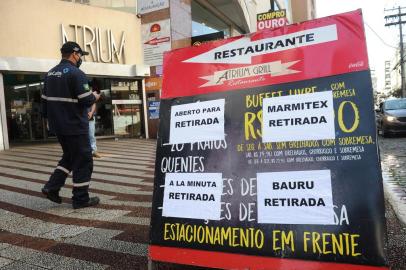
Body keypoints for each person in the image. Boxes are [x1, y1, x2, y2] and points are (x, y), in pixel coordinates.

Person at [41, 41, 101, 209]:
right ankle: (81, 199)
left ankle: (51, 188)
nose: (80, 58)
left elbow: (44, 104)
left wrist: (50, 121)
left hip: (58, 126)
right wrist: (95, 96)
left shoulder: (50, 74)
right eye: (80, 55)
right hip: (74, 125)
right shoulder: (76, 73)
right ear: (75, 54)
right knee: (84, 160)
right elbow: (86, 99)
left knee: (69, 156)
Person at [88, 80, 101, 158]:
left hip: (90, 118)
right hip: (81, 117)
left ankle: (94, 151)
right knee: (83, 136)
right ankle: (86, 151)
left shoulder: (91, 93)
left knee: (91, 135)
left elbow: (93, 104)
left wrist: (91, 113)